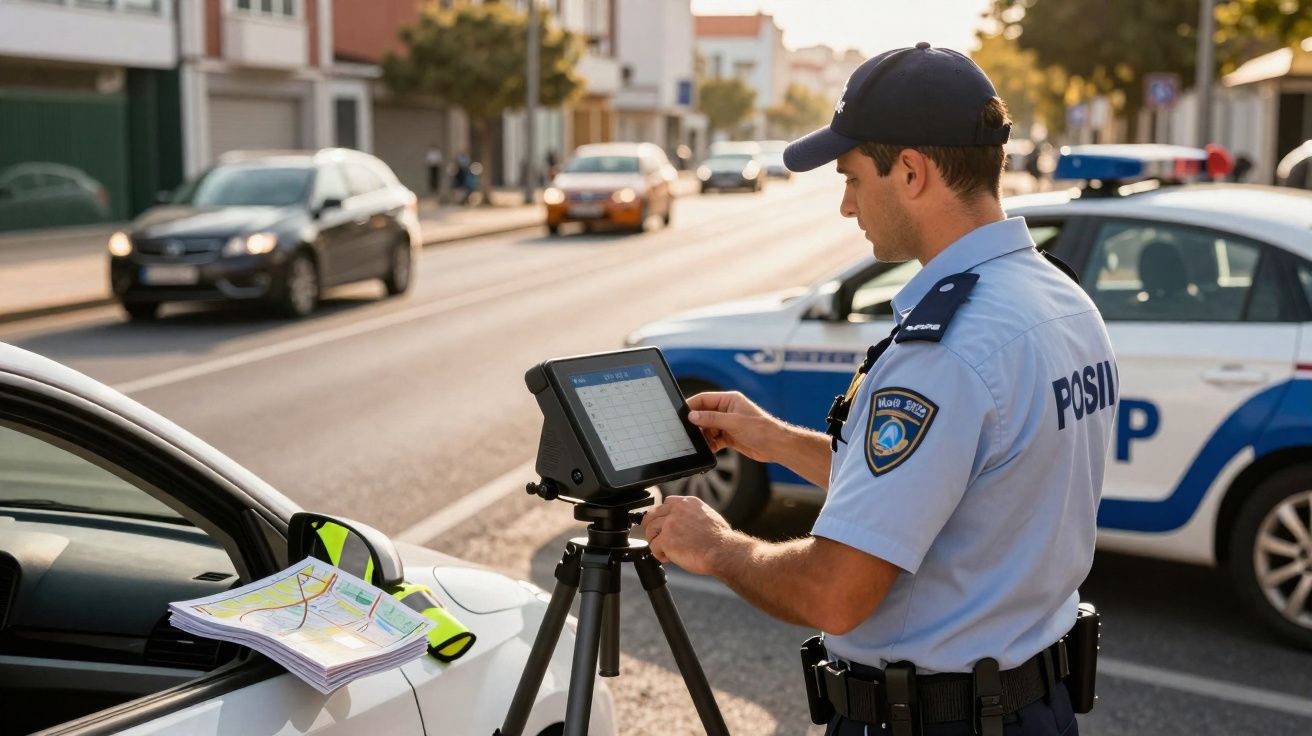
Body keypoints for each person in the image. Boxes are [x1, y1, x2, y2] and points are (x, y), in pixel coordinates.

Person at [642, 42, 1115, 736]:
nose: (845, 205)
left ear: (913, 172)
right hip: (1030, 706)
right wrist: (775, 441)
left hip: (936, 719)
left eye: (853, 178)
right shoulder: (1060, 299)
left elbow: (835, 593)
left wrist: (716, 545)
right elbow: (940, 491)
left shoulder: (947, 350)